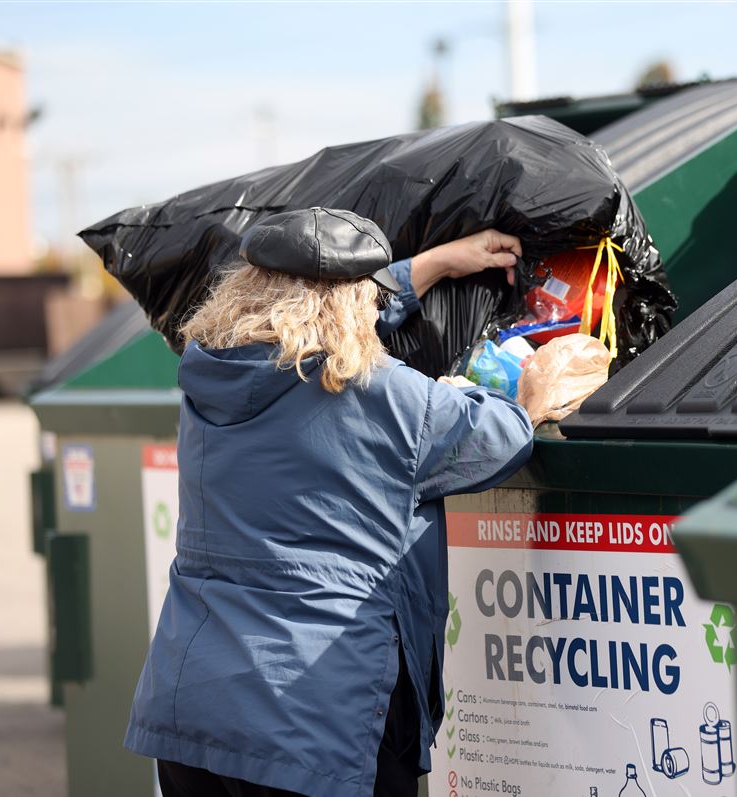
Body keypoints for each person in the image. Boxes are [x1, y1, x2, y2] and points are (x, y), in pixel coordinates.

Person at [123, 208, 535, 797]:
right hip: (314, 725)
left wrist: (438, 263)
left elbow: (321, 319)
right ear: (353, 305)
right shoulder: (384, 396)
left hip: (194, 712)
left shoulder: (211, 377)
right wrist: (533, 394)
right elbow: (499, 438)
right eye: (368, 296)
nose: (375, 307)